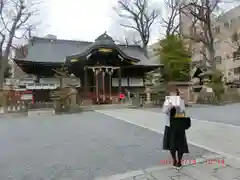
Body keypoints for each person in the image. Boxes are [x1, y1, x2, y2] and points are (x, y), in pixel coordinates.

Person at [162, 90, 189, 170]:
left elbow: (183, 112)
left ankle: (179, 161)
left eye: (174, 94)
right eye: (171, 94)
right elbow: (164, 111)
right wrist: (170, 106)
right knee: (171, 145)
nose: (173, 95)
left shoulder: (181, 101)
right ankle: (174, 160)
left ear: (177, 94)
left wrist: (178, 107)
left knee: (180, 144)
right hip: (170, 126)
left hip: (179, 125)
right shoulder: (167, 101)